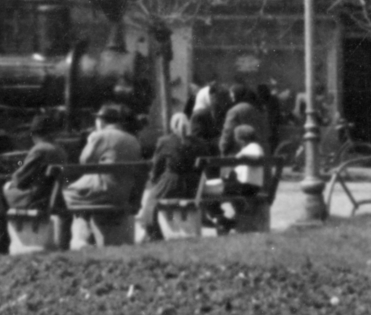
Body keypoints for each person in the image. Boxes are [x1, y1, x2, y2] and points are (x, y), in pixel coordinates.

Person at [137, 111, 213, 242]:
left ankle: (153, 232)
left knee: (151, 200)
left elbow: (157, 166)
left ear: (172, 126)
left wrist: (154, 179)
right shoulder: (200, 143)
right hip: (194, 186)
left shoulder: (165, 141)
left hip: (172, 182)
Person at [61, 102, 143, 212]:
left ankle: (67, 229)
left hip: (102, 191)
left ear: (101, 121)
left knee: (62, 197)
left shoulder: (100, 136)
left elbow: (85, 162)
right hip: (124, 193)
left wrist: (91, 140)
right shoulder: (133, 139)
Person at [3, 111, 69, 213]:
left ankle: (0, 227)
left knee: (1, 192)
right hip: (56, 196)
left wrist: (10, 182)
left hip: (37, 198)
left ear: (34, 134)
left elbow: (21, 179)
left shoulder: (39, 149)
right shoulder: (59, 149)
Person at [220, 85, 270, 156]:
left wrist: (223, 148)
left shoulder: (234, 111)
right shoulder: (259, 109)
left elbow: (228, 132)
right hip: (261, 152)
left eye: (232, 94)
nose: (231, 97)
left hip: (239, 154)